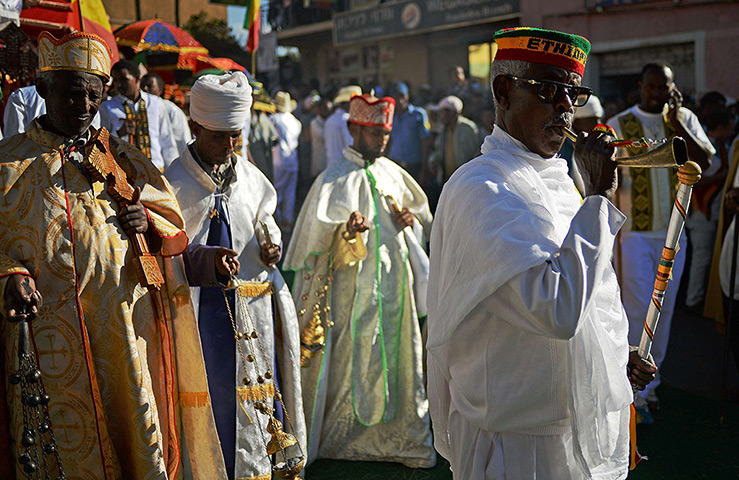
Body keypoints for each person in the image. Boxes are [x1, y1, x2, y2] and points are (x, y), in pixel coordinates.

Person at [426, 27, 657, 479]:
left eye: (574, 94)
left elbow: (585, 297)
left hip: (568, 435)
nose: (566, 108)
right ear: (503, 91)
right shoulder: (481, 188)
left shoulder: (559, 182)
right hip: (515, 447)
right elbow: (556, 310)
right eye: (550, 91)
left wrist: (609, 354)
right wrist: (601, 200)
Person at [0, 31, 226, 479]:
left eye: (94, 95)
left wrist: (147, 221)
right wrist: (9, 272)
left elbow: (169, 217)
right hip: (48, 335)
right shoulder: (8, 162)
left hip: (123, 327)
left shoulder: (122, 156)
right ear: (44, 90)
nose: (84, 106)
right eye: (72, 93)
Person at [165, 71, 306, 480]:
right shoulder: (172, 185)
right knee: (213, 396)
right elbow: (166, 252)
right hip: (200, 318)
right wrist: (204, 260)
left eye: (236, 136)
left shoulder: (251, 177)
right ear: (195, 127)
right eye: (220, 136)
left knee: (258, 393)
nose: (230, 146)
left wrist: (270, 245)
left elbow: (265, 219)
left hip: (254, 309)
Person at [284, 93, 436, 468]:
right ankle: (344, 438)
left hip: (394, 284)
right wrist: (344, 234)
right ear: (354, 129)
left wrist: (409, 223)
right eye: (372, 132)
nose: (381, 140)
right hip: (349, 290)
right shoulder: (332, 178)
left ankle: (400, 436)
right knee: (351, 353)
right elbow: (311, 249)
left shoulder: (392, 172)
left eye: (385, 132)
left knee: (399, 352)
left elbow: (421, 221)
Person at [606, 62, 713, 416]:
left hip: (674, 233)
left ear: (672, 89)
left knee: (663, 312)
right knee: (637, 310)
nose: (658, 93)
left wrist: (678, 119)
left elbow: (706, 161)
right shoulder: (621, 124)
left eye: (663, 87)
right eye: (651, 87)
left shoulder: (684, 120)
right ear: (641, 87)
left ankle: (650, 387)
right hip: (635, 235)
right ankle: (630, 391)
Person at [685, 109, 735, 311]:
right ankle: (692, 300)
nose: (733, 130)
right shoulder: (703, 148)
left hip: (710, 211)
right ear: (720, 128)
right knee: (701, 257)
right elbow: (694, 180)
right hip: (700, 212)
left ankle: (699, 297)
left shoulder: (723, 146)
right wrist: (723, 177)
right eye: (730, 126)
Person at [99, 59, 178, 170]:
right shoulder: (107, 107)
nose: (119, 85)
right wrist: (119, 133)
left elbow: (167, 140)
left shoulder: (156, 103)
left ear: (137, 79)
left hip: (156, 168)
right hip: (124, 171)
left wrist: (172, 172)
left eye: (124, 79)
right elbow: (101, 143)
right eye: (116, 80)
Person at [3, 83, 102, 136]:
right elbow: (15, 138)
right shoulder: (21, 97)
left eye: (95, 96)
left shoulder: (90, 105)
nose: (85, 107)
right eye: (74, 94)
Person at [387, 81, 431, 184]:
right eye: (395, 96)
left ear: (407, 95)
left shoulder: (418, 114)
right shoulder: (390, 116)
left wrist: (424, 170)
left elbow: (425, 142)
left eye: (401, 95)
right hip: (395, 165)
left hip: (414, 166)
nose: (399, 100)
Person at [272, 91, 302, 230]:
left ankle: (276, 220)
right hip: (292, 161)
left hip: (278, 160)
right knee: (290, 192)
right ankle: (287, 221)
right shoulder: (295, 121)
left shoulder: (275, 119)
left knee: (276, 192)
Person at [141, 72, 192, 156]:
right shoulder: (139, 109)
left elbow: (183, 140)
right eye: (142, 86)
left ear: (160, 90)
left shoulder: (172, 111)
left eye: (150, 86)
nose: (145, 89)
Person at [431, 95, 480, 182]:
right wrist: (434, 160)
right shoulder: (443, 130)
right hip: (447, 179)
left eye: (442, 112)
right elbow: (438, 150)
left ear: (451, 112)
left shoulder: (468, 128)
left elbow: (477, 153)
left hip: (466, 179)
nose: (440, 116)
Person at [248, 84, 279, 184]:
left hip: (264, 159)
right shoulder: (244, 118)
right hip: (251, 160)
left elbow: (274, 139)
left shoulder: (264, 119)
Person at [324, 85, 361, 168]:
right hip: (345, 166)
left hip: (331, 165)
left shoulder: (330, 119)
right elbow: (350, 145)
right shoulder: (346, 120)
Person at [309, 96, 333, 180]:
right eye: (326, 109)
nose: (328, 111)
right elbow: (324, 136)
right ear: (320, 109)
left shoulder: (330, 122)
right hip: (320, 159)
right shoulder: (315, 123)